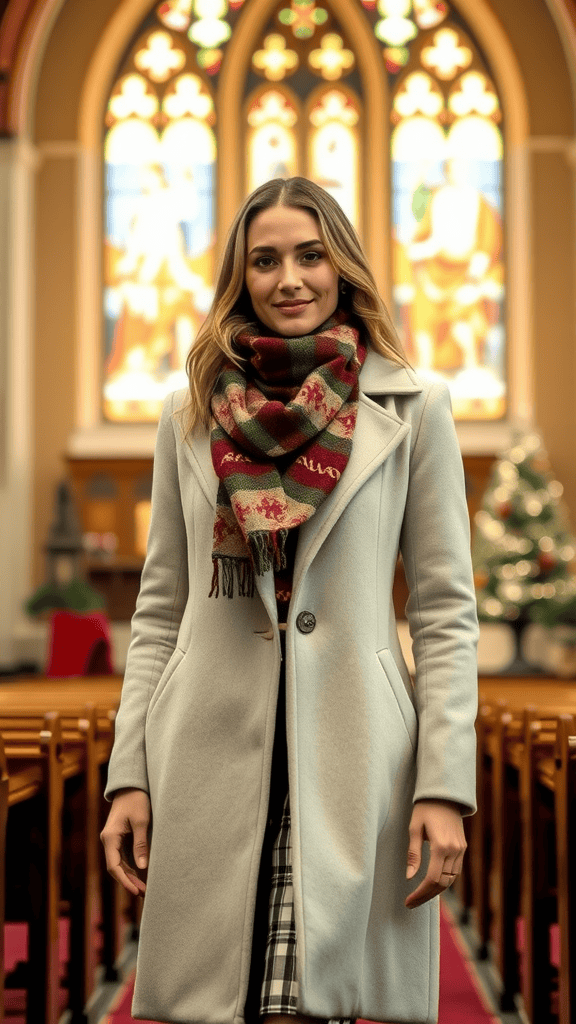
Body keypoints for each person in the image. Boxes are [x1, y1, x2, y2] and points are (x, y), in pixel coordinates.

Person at [100, 176, 479, 1024]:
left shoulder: (414, 409)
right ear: (241, 277)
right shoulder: (188, 414)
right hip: (209, 751)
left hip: (351, 751)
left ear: (342, 268)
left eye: (311, 256)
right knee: (214, 1003)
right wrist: (129, 773)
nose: (290, 279)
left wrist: (445, 784)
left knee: (319, 1005)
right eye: (265, 261)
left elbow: (447, 612)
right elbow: (159, 611)